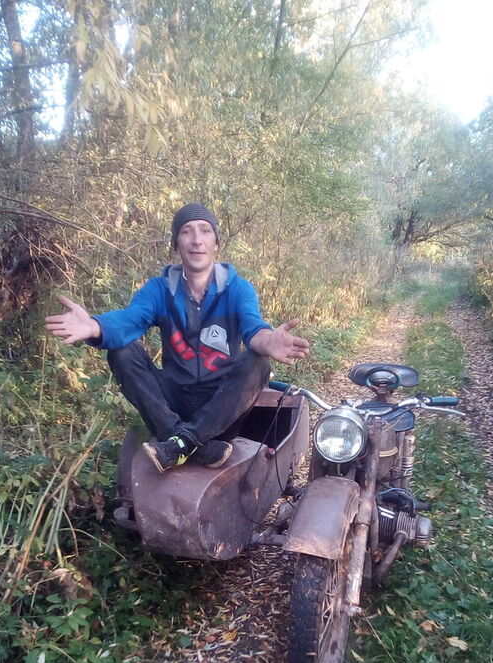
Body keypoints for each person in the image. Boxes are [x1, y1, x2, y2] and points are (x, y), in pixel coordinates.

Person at [45, 202, 310, 472]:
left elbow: (254, 328)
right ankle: (185, 441)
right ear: (176, 244)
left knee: (257, 362)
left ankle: (180, 443)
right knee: (122, 352)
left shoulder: (238, 289)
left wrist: (269, 341)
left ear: (216, 243)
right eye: (186, 232)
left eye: (205, 231)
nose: (196, 240)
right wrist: (95, 326)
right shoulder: (159, 290)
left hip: (219, 408)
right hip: (173, 404)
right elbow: (131, 319)